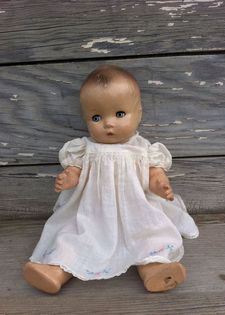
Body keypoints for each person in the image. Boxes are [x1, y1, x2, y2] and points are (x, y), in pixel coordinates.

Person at [23, 65, 199, 294]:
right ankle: (54, 272)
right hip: (92, 214)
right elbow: (76, 171)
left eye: (119, 114)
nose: (108, 123)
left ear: (139, 112)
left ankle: (155, 270)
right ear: (86, 118)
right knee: (73, 239)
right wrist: (69, 177)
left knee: (148, 237)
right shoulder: (84, 149)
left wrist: (159, 183)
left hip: (137, 213)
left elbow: (155, 173)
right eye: (97, 117)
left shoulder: (143, 149)